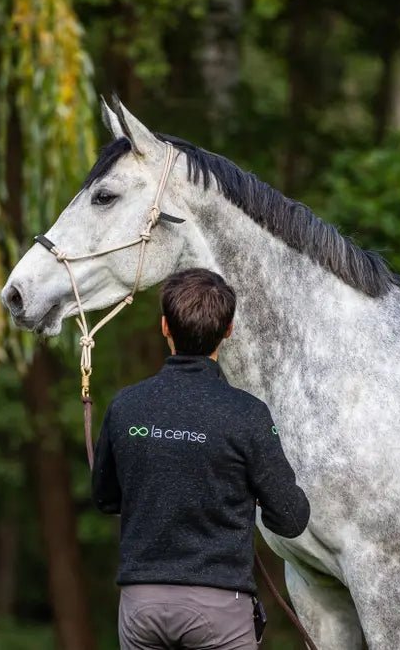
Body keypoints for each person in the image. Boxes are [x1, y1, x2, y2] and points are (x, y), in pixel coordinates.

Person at [92, 267, 311, 650]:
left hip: (141, 606)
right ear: (228, 330)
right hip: (219, 608)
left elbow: (106, 498)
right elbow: (291, 519)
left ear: (165, 327)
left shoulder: (125, 406)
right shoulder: (247, 414)